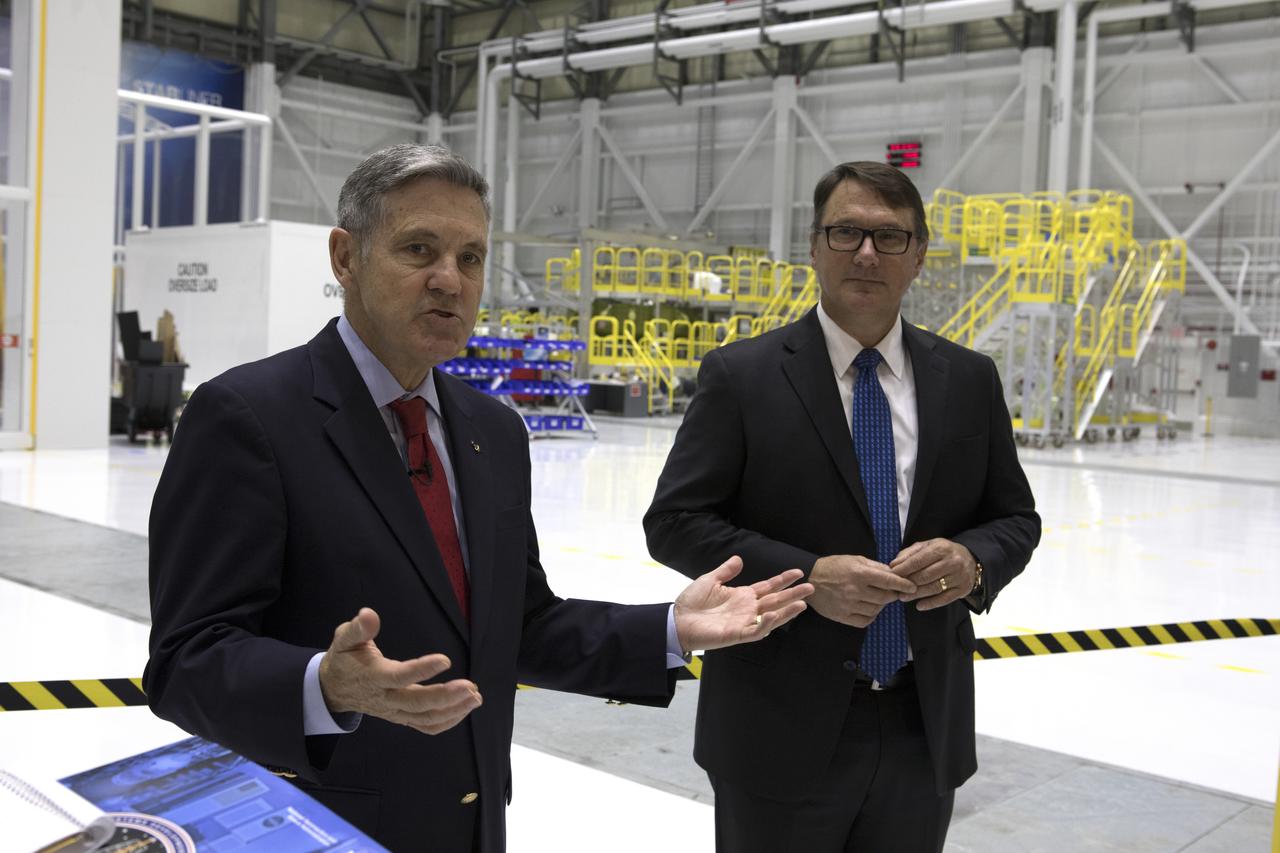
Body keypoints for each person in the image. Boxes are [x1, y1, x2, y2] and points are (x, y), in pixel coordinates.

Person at [143, 143, 812, 853]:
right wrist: (324, 684)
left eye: (470, 258)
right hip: (319, 829)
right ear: (345, 257)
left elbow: (517, 626)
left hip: (471, 825)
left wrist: (670, 628)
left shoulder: (492, 430)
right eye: (419, 249)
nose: (449, 280)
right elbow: (186, 660)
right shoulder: (248, 416)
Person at [643, 161, 1040, 852]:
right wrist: (807, 577)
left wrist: (973, 561)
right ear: (814, 246)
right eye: (847, 231)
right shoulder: (742, 376)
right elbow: (675, 522)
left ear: (918, 256)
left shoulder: (970, 379)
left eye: (890, 237)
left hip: (924, 724)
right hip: (778, 726)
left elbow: (1015, 518)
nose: (866, 252)